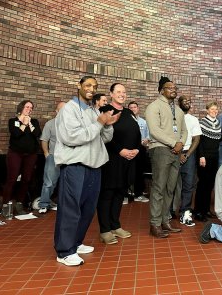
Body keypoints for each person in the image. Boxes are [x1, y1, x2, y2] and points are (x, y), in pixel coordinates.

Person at [54, 75, 119, 266]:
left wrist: (108, 124)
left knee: (87, 209)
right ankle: (64, 251)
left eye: (95, 86)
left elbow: (103, 139)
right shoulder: (69, 109)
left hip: (94, 166)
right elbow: (72, 137)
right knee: (70, 209)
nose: (92, 88)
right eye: (88, 85)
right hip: (75, 166)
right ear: (79, 86)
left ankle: (76, 242)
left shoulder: (92, 111)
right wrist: (99, 122)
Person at [97, 83, 141, 245]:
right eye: (118, 92)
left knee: (120, 193)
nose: (122, 94)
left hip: (129, 159)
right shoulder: (106, 110)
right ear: (111, 94)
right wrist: (120, 150)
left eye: (124, 92)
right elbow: (105, 135)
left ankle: (115, 225)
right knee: (107, 194)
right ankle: (105, 230)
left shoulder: (129, 112)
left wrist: (136, 149)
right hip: (112, 159)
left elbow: (136, 132)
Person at [146, 76, 187, 239]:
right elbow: (154, 131)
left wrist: (181, 143)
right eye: (170, 88)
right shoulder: (153, 107)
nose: (174, 90)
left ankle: (165, 221)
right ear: (162, 90)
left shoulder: (178, 110)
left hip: (176, 152)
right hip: (161, 149)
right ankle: (154, 224)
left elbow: (184, 131)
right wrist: (173, 143)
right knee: (159, 188)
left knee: (170, 188)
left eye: (175, 88)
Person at [2, 100, 42, 217]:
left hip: (31, 155)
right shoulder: (13, 121)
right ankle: (5, 206)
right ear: (21, 108)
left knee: (26, 179)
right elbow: (16, 134)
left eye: (31, 108)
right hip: (15, 154)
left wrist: (29, 123)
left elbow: (37, 134)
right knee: (12, 179)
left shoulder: (34, 121)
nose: (29, 109)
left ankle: (19, 204)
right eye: (27, 107)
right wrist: (24, 123)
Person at [194, 101, 222, 222]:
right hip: (204, 157)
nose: (214, 111)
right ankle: (198, 211)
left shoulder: (218, 123)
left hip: (214, 157)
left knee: (209, 185)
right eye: (212, 109)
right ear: (207, 110)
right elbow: (199, 142)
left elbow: (217, 139)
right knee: (202, 184)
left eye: (216, 109)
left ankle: (206, 210)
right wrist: (201, 156)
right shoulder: (202, 122)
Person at [174, 95, 201, 227]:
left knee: (188, 184)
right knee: (171, 184)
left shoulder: (193, 120)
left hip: (188, 154)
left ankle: (185, 212)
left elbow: (196, 139)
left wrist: (187, 154)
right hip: (173, 153)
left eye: (189, 101)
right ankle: (169, 211)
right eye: (184, 101)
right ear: (179, 103)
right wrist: (178, 153)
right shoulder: (173, 117)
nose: (187, 103)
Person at [38, 101, 66, 214]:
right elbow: (44, 140)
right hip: (53, 156)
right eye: (62, 110)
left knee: (66, 183)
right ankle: (44, 204)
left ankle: (62, 204)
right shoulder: (50, 124)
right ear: (56, 111)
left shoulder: (72, 124)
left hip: (68, 158)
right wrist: (46, 153)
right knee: (49, 182)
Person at [128, 101, 151, 203]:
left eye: (134, 107)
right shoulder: (125, 121)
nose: (133, 109)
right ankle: (126, 194)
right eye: (131, 107)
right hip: (128, 150)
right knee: (127, 172)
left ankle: (138, 194)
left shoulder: (143, 122)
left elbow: (148, 135)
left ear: (138, 109)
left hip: (140, 149)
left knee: (139, 171)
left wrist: (146, 140)